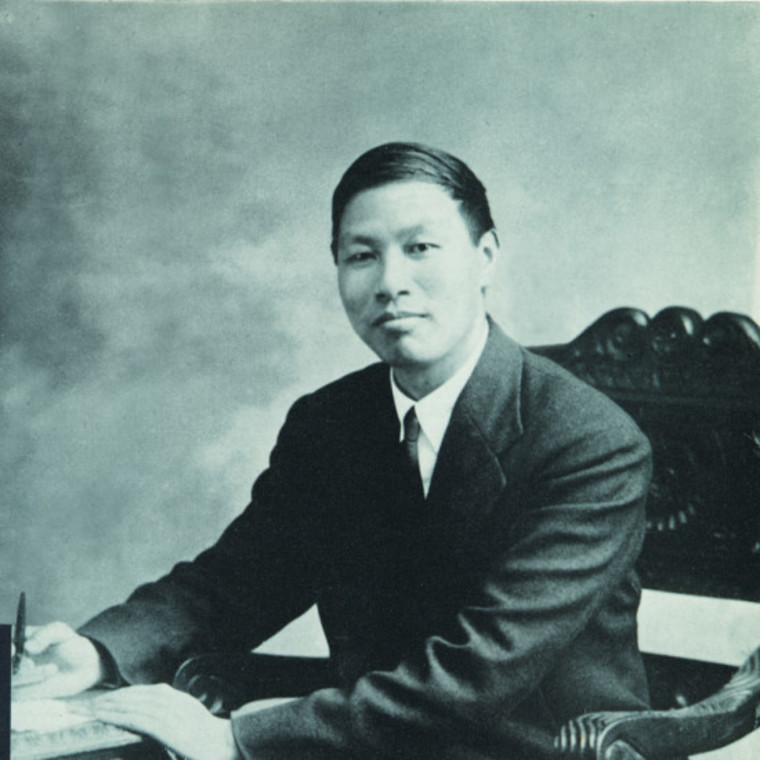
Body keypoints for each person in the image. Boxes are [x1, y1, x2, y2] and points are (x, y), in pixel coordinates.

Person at [13, 143, 652, 760]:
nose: (390, 283)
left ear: (484, 257)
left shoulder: (589, 444)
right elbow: (236, 582)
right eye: (362, 256)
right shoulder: (331, 423)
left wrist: (238, 740)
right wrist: (99, 652)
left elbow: (478, 671)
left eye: (421, 248)